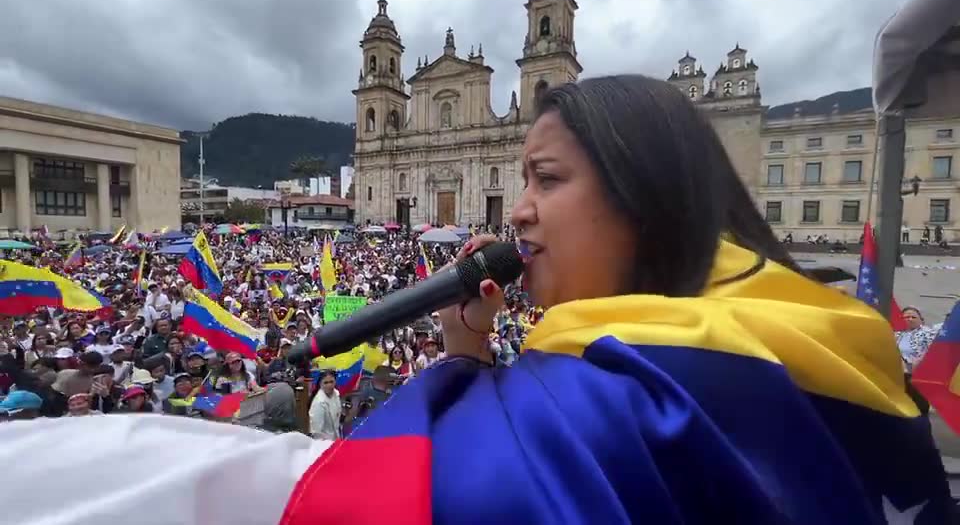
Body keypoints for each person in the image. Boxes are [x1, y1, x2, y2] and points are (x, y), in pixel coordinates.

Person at [281, 76, 950, 523]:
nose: (516, 212)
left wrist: (460, 360)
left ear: (643, 191)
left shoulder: (624, 390)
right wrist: (467, 343)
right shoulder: (816, 333)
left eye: (546, 178)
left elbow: (430, 487)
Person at [308, 371, 342, 440]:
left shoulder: (336, 394)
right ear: (320, 384)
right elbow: (316, 432)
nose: (329, 385)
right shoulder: (319, 402)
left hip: (336, 438)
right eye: (326, 383)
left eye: (331, 382)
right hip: (324, 443)